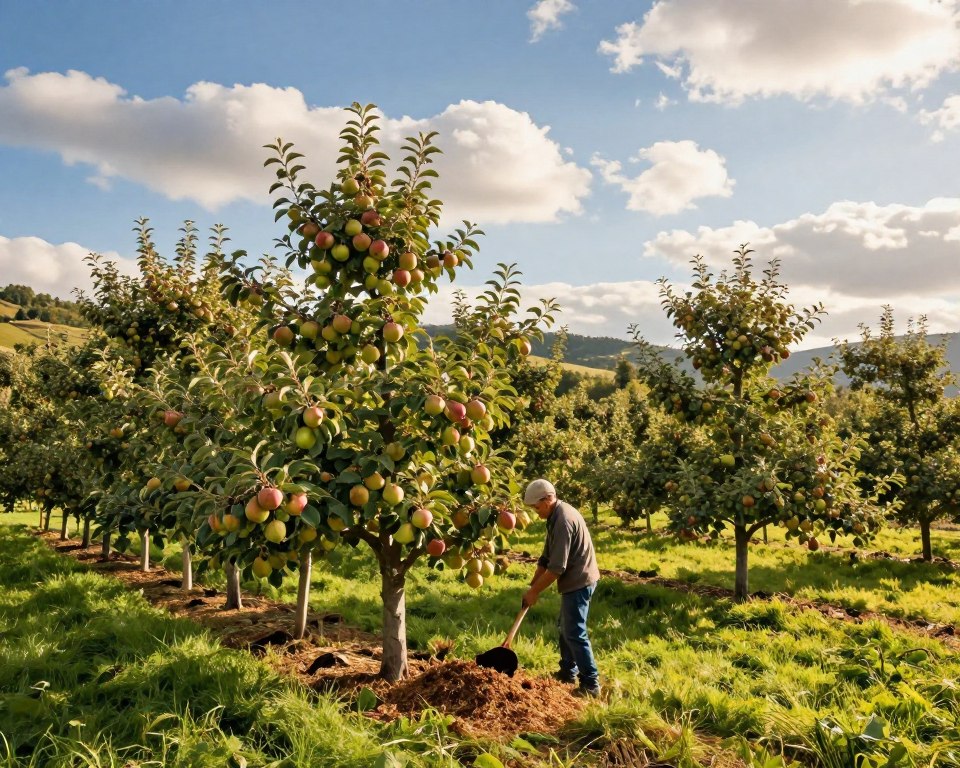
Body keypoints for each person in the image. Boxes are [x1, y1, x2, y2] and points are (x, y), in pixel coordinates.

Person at [521, 478, 601, 696]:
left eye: (537, 507)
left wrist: (535, 592)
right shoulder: (554, 515)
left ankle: (591, 684)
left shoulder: (563, 520)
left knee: (574, 632)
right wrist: (532, 585)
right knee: (566, 627)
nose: (536, 512)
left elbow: (557, 568)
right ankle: (567, 672)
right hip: (574, 579)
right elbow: (546, 557)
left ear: (548, 499)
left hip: (580, 581)